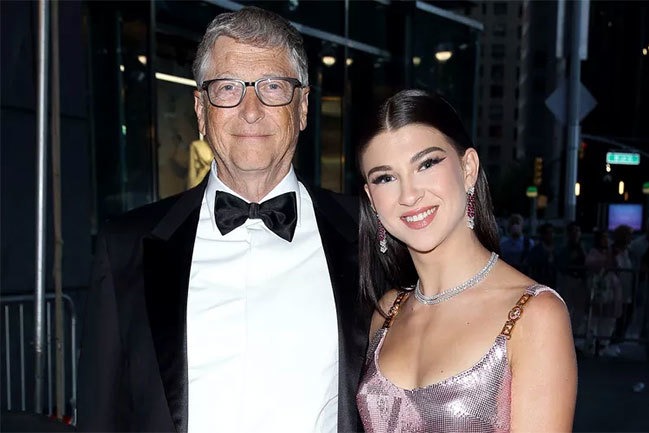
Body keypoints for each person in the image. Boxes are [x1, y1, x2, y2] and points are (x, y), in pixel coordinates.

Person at [77, 7, 369, 433]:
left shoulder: (368, 233)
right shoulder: (125, 247)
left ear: (303, 107)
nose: (250, 110)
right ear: (200, 109)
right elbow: (100, 417)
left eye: (272, 86)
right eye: (228, 88)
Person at [355, 89, 577, 432]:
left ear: (468, 168)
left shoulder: (534, 315)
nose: (409, 195)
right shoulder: (388, 313)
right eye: (386, 178)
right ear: (371, 199)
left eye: (426, 164)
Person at [556, 221, 587, 334]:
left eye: (577, 231)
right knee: (566, 307)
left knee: (579, 309)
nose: (576, 233)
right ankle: (564, 332)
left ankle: (574, 333)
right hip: (568, 279)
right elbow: (561, 263)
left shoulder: (583, 247)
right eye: (573, 231)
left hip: (580, 280)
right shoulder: (563, 248)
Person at [528, 222, 557, 287]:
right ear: (543, 234)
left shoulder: (557, 249)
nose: (550, 235)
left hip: (554, 282)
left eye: (552, 232)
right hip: (540, 282)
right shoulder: (536, 250)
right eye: (548, 232)